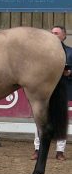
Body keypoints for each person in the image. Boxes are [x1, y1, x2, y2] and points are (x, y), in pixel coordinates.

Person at [31, 25, 71, 161]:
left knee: (61, 118)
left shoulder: (70, 52)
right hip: (45, 90)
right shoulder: (42, 54)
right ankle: (37, 149)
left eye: (57, 33)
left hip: (62, 88)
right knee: (40, 118)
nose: (53, 35)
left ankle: (60, 151)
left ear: (64, 36)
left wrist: (69, 72)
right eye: (52, 33)